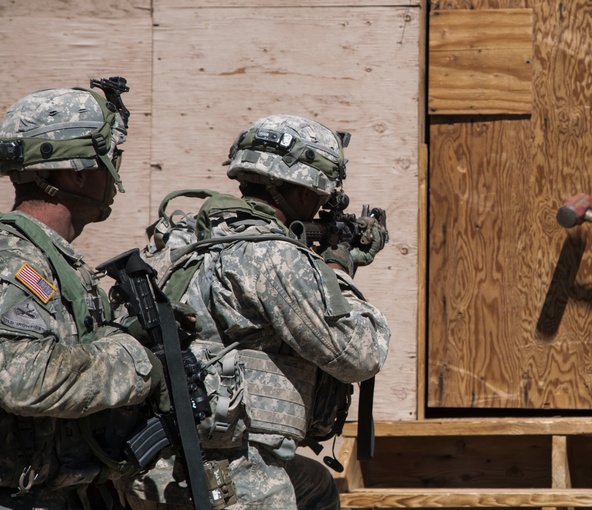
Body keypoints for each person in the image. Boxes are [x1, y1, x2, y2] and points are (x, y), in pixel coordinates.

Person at [119, 114, 391, 509]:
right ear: (297, 192)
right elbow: (361, 353)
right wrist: (336, 272)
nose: (320, 207)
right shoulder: (274, 257)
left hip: (148, 465)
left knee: (314, 484)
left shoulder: (178, 237)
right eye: (320, 196)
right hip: (226, 474)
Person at [0, 83, 169, 508]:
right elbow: (22, 379)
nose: (115, 174)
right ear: (76, 173)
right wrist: (135, 361)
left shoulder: (51, 257)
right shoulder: (16, 261)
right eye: (109, 160)